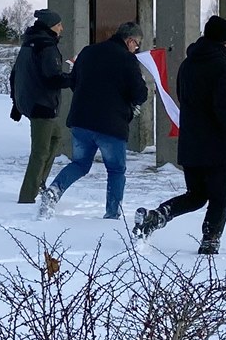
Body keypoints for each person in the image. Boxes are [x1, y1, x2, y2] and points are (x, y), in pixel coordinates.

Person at [133, 15, 226, 255]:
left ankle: (157, 217)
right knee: (220, 197)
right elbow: (224, 108)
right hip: (215, 145)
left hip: (190, 141)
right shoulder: (223, 69)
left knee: (196, 195)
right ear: (224, 42)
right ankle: (210, 239)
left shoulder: (188, 64)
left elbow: (183, 98)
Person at [38, 21, 147, 220]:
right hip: (111, 126)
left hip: (81, 120)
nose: (136, 48)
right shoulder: (127, 60)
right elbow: (140, 93)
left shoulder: (88, 52)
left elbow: (73, 81)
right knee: (115, 170)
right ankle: (112, 214)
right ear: (130, 40)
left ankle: (54, 191)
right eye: (137, 44)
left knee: (79, 164)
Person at [9, 9, 68, 203]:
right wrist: (75, 78)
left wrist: (16, 104)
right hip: (42, 105)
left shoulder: (30, 43)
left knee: (56, 136)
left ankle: (39, 182)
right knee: (40, 152)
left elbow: (15, 74)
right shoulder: (47, 46)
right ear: (51, 26)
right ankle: (27, 196)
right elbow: (52, 79)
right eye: (59, 24)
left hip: (31, 102)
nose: (62, 28)